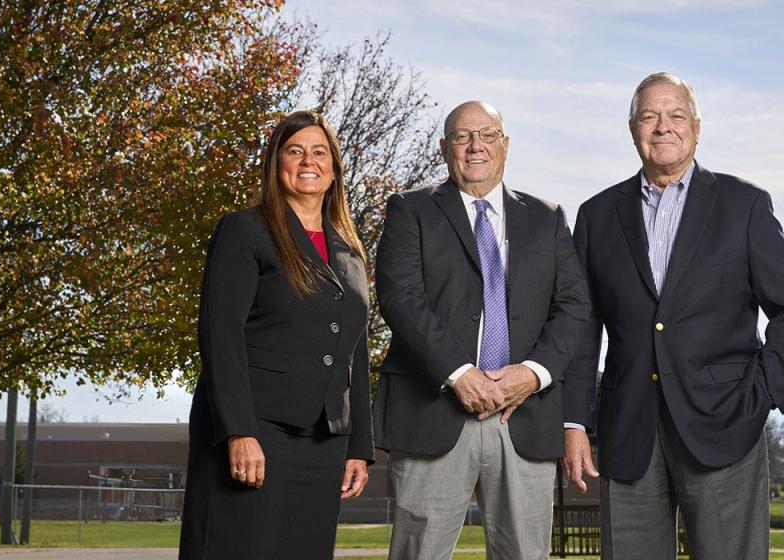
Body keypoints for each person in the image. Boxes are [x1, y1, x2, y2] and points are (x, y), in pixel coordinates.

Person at [563, 72, 784, 559]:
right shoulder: (596, 216)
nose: (664, 126)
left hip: (726, 424)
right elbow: (580, 330)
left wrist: (761, 394)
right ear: (632, 128)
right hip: (627, 428)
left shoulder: (743, 205)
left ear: (697, 127)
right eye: (650, 116)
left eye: (676, 115)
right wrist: (574, 421)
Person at [372, 100, 590, 560]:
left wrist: (531, 374)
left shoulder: (546, 217)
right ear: (443, 147)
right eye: (462, 136)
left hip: (525, 417)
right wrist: (459, 374)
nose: (476, 147)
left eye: (488, 135)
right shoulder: (410, 210)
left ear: (505, 145)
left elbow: (574, 307)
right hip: (435, 411)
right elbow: (400, 298)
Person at [179, 111, 373, 559]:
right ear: (276, 163)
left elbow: (353, 353)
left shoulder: (349, 252)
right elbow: (220, 338)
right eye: (295, 150)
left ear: (334, 167)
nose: (309, 161)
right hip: (256, 433)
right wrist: (239, 432)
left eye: (320, 152)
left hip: (324, 442)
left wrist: (358, 446)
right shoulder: (245, 231)